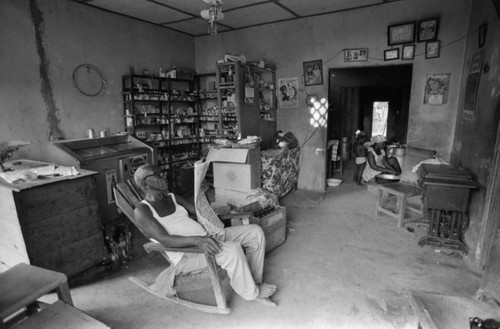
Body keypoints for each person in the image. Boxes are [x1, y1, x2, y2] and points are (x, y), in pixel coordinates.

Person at [133, 164, 277, 306]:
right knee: (232, 251)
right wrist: (197, 241)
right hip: (188, 254)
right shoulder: (142, 211)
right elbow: (165, 240)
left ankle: (254, 282)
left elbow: (200, 212)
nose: (163, 175)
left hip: (207, 238)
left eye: (162, 171)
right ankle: (253, 293)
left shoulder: (172, 197)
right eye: (157, 174)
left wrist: (200, 195)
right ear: (145, 184)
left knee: (255, 232)